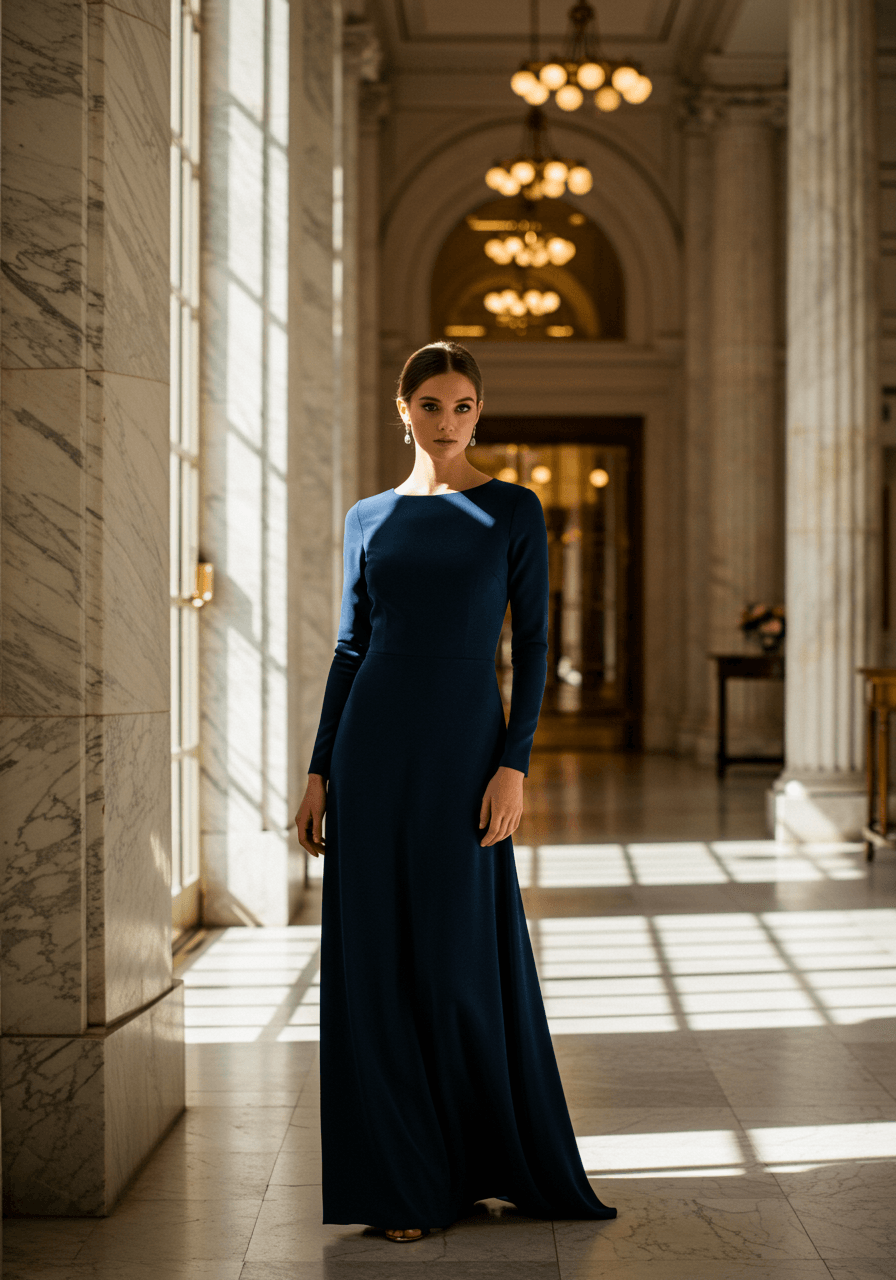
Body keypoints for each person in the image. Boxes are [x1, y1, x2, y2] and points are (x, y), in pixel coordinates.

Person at [294, 341, 616, 1242]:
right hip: (372, 753)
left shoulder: (514, 508)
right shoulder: (368, 517)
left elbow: (538, 644)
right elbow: (351, 648)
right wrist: (321, 769)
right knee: (378, 967)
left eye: (463, 406)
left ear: (481, 412)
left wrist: (514, 761)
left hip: (466, 755)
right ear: (403, 410)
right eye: (431, 405)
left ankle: (483, 1159)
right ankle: (403, 1186)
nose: (447, 421)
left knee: (456, 962)